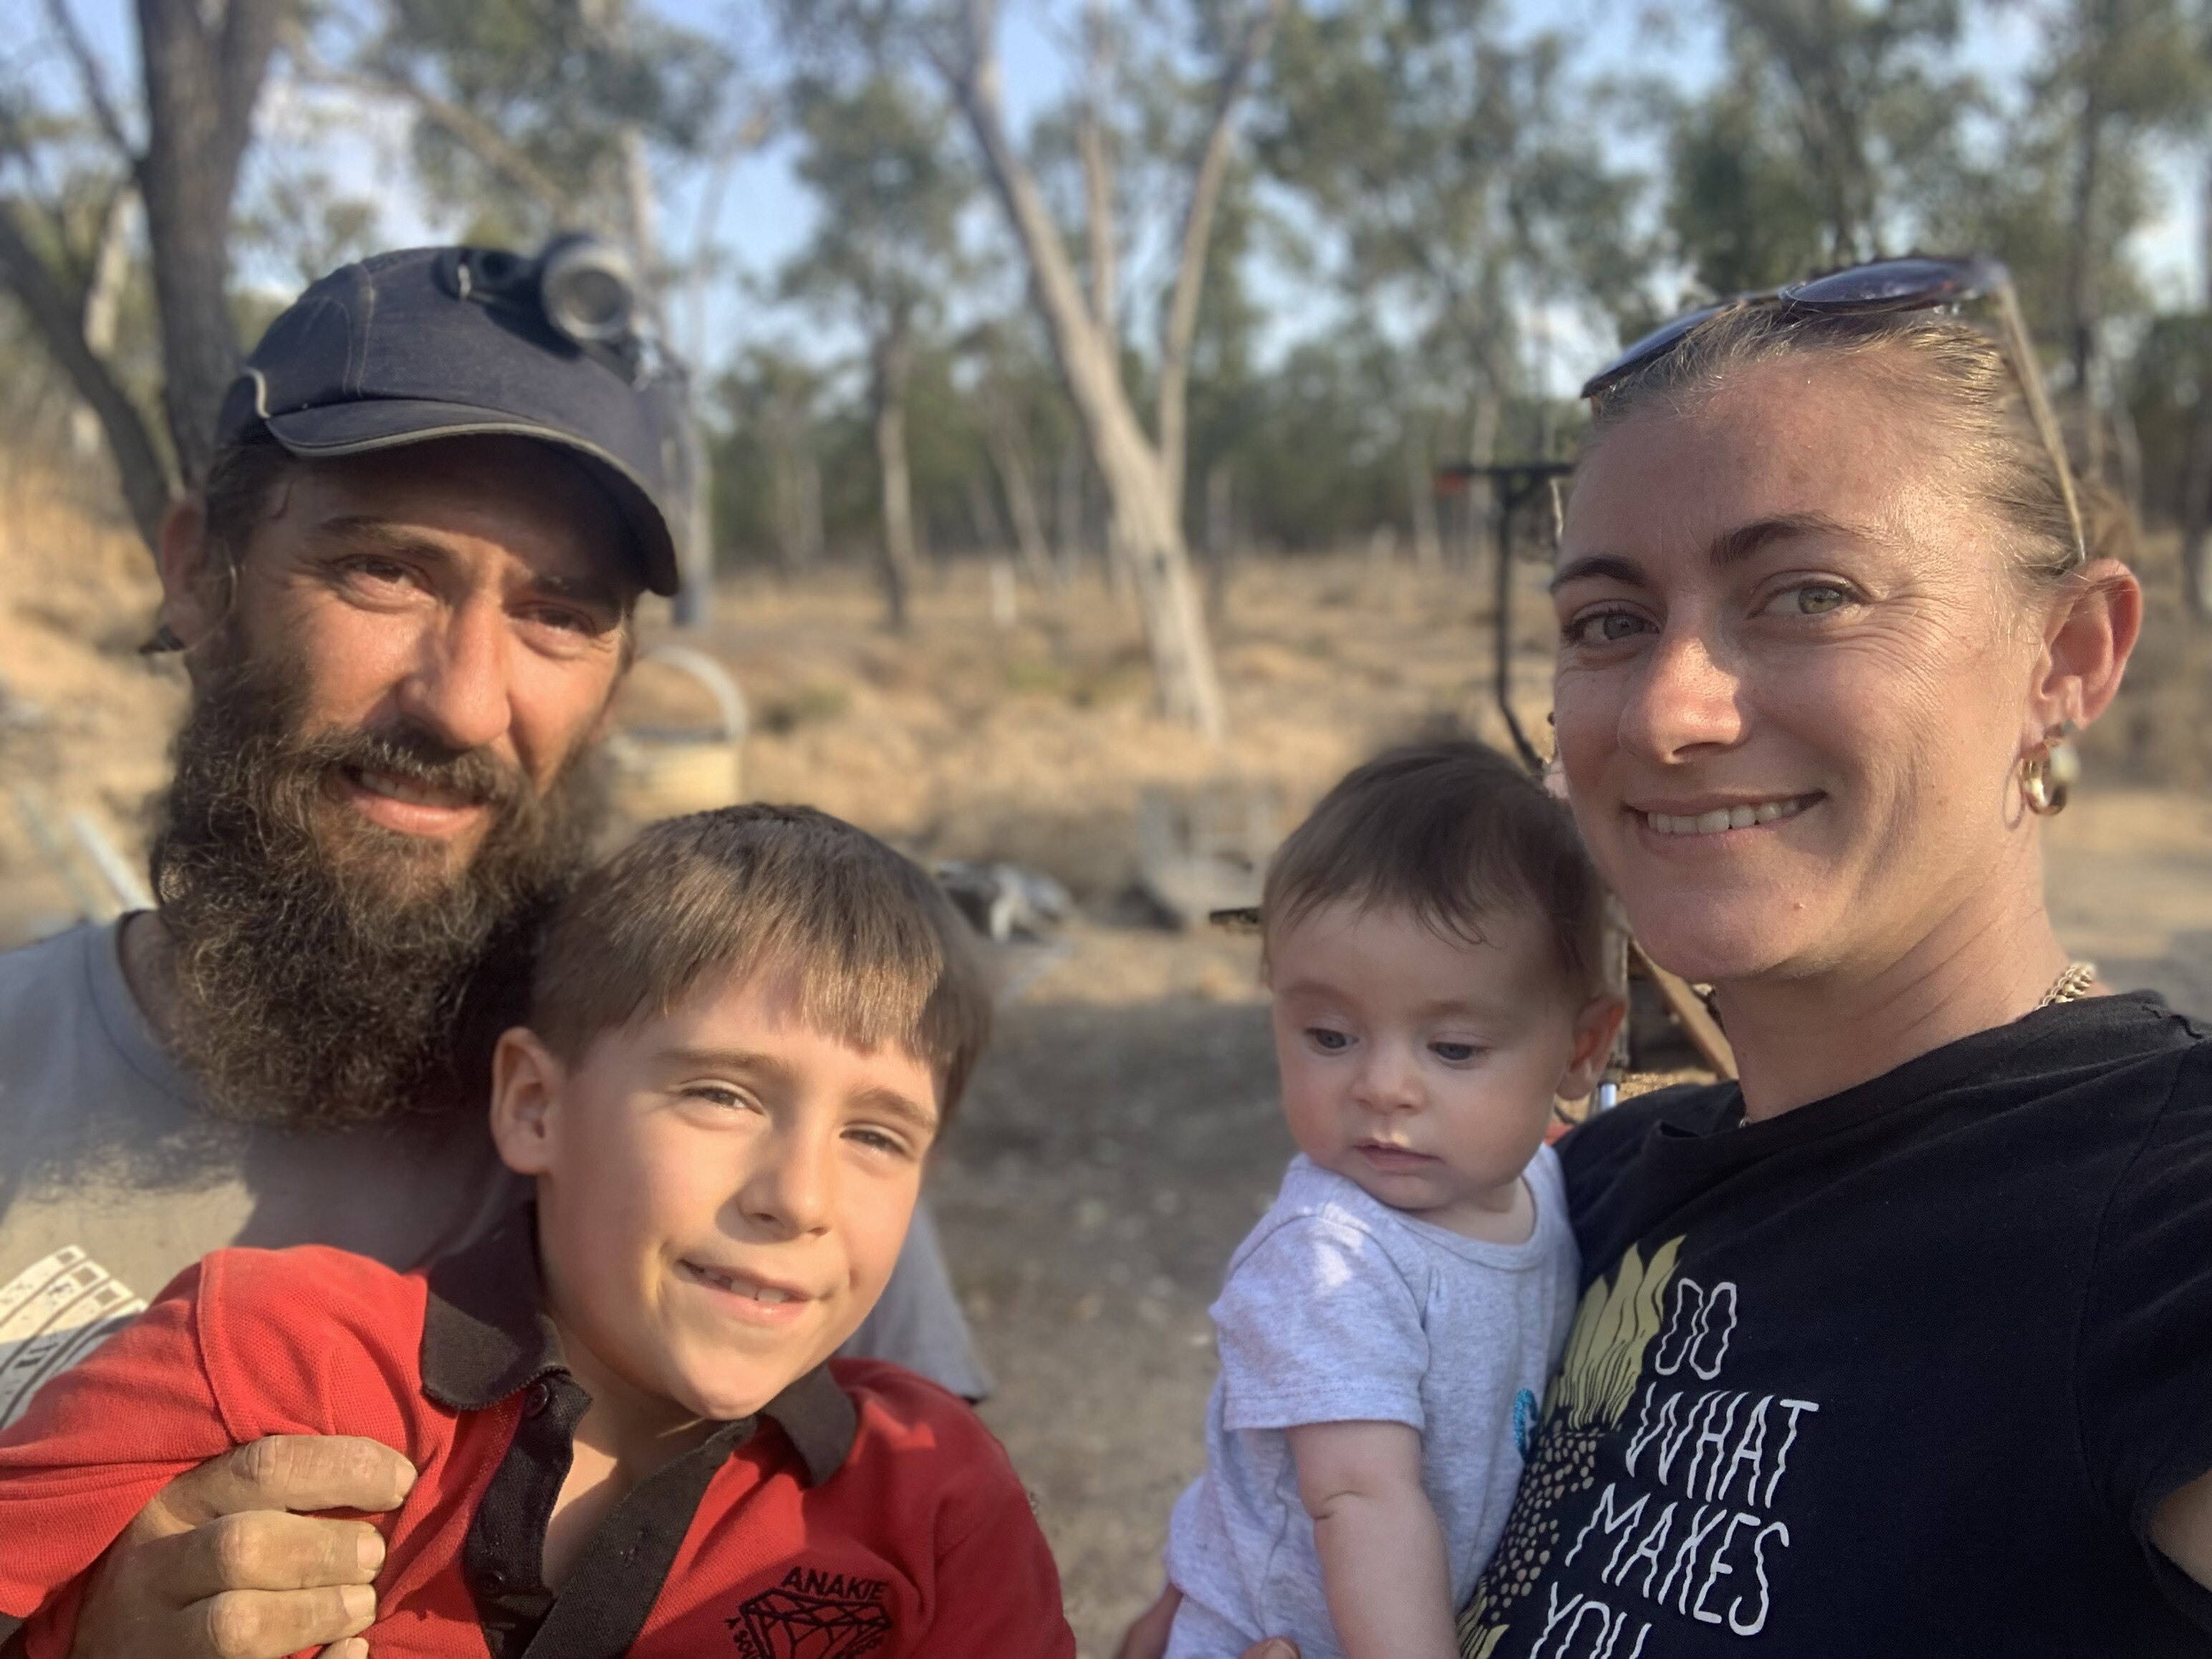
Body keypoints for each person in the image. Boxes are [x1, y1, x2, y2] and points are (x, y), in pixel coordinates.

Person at [1122, 254, 2212, 1659]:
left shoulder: (2162, 1213)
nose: (1665, 711)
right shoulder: (1568, 1191)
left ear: (2063, 657)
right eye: (1606, 623)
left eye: (1804, 594)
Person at [0, 244, 984, 1659]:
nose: (463, 701)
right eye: (384, 570)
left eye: (557, 615)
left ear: (618, 679)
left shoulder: (760, 1108)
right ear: (196, 578)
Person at [0, 804, 1076, 1659]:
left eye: (878, 1136)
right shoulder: (280, 1359)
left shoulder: (933, 1496)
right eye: (721, 1095)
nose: (799, 1197)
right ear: (533, 1106)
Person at [1159, 742, 1622, 1659]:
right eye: (1330, 1035)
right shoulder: (1331, 1256)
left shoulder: (1539, 1181)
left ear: (1581, 1050)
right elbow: (1359, 1498)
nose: (1382, 1086)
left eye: (1451, 1049)